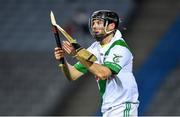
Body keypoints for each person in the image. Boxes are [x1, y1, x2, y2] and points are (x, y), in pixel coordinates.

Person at [54, 10, 139, 117]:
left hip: (123, 106)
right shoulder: (95, 47)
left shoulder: (119, 47)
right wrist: (62, 60)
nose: (94, 26)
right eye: (93, 23)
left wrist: (77, 55)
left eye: (98, 23)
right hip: (108, 109)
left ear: (111, 26)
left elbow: (104, 74)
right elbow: (72, 75)